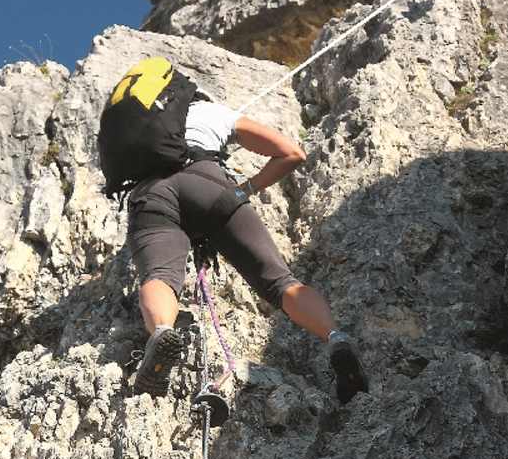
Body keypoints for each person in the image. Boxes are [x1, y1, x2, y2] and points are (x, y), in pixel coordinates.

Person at [126, 91, 369, 404]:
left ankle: (161, 331)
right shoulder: (212, 112)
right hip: (209, 183)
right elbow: (291, 153)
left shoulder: (143, 125)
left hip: (152, 194)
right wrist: (247, 188)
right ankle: (335, 338)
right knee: (281, 282)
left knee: (160, 274)